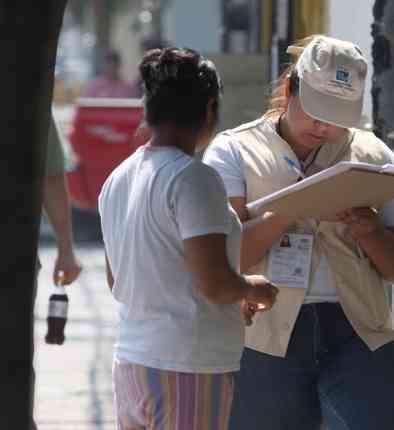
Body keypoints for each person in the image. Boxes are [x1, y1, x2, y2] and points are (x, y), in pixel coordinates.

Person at [203, 35, 394, 430]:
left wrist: (373, 233)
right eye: (315, 111)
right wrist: (285, 212)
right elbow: (223, 261)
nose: (323, 126)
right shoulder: (233, 151)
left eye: (335, 115)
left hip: (358, 330)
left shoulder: (372, 154)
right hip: (263, 336)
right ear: (291, 88)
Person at [98, 47, 278, 430]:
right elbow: (214, 285)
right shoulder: (193, 179)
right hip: (186, 367)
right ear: (210, 108)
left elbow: (119, 281)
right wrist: (254, 289)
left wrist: (230, 296)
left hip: (132, 363)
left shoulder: (118, 178)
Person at [31, 115, 83, 430]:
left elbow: (50, 174)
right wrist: (65, 248)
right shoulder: (24, 92)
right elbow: (49, 174)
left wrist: (66, 248)